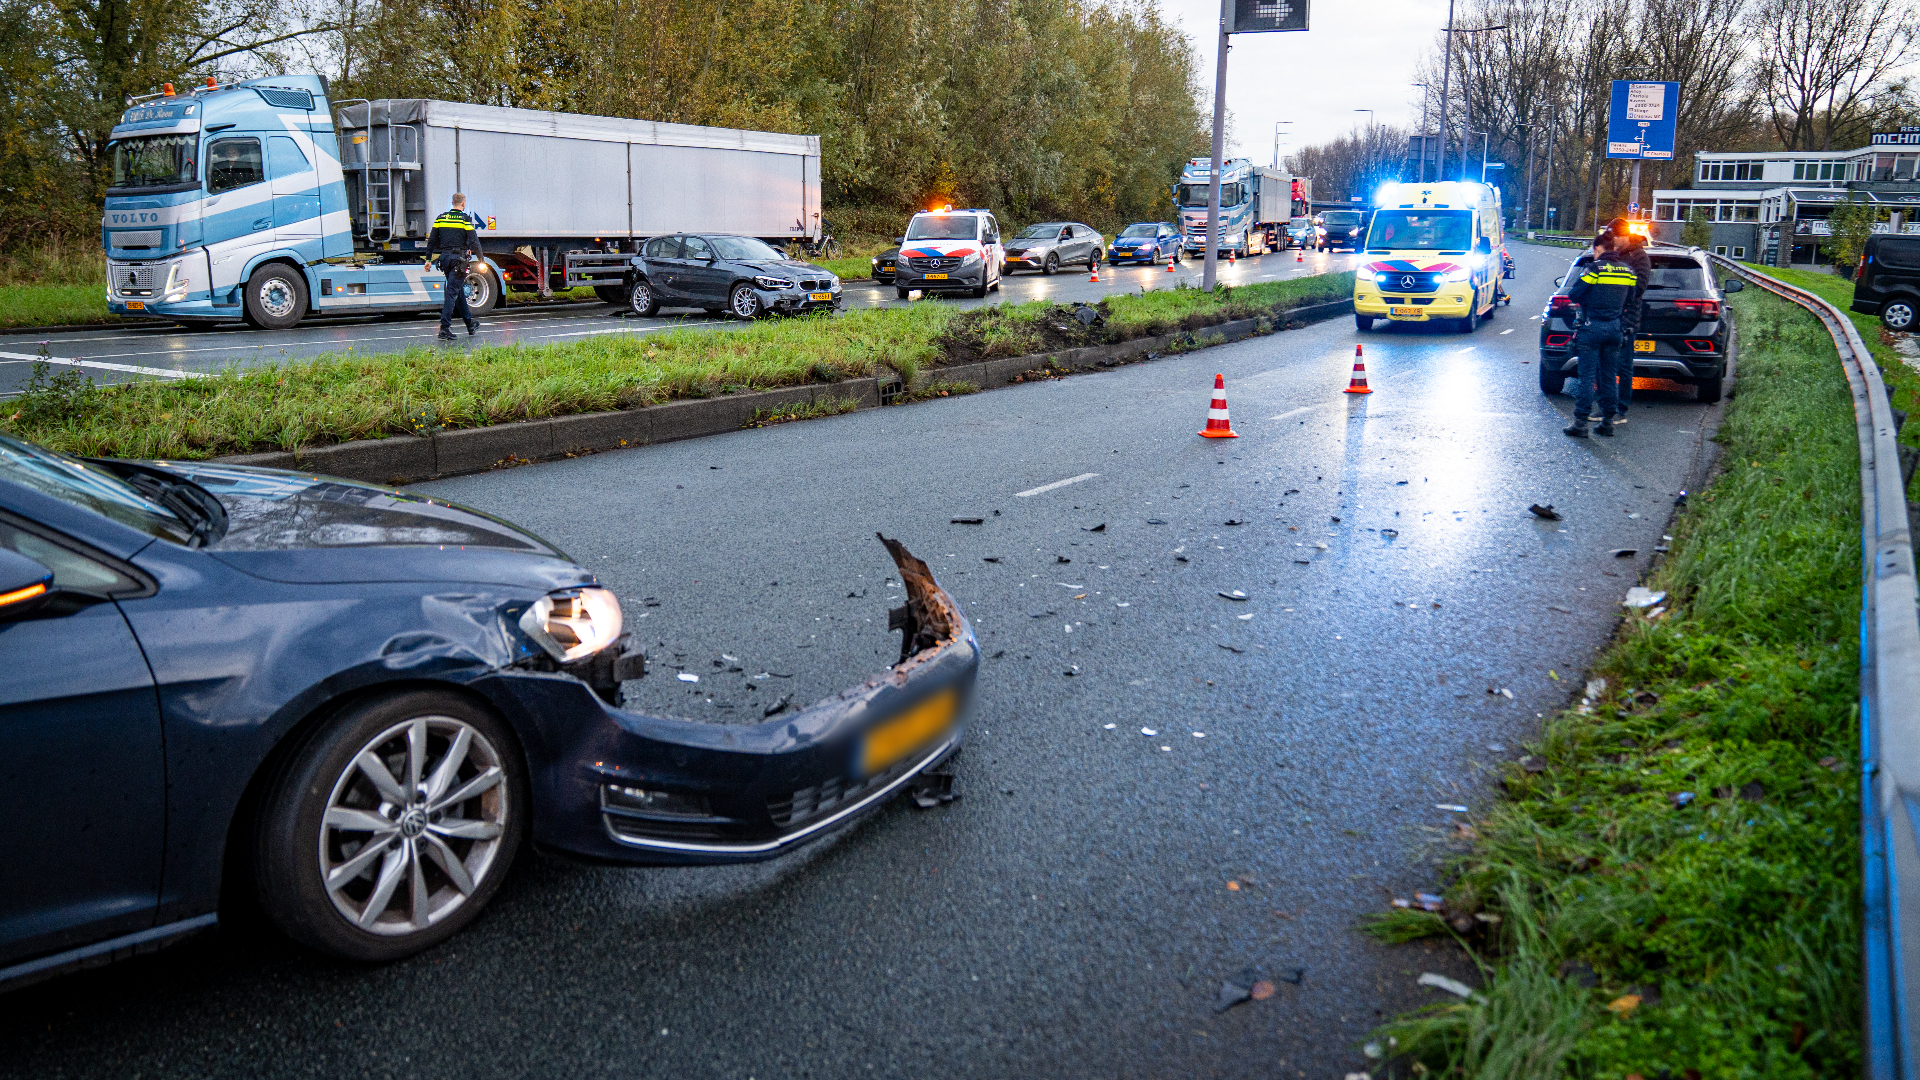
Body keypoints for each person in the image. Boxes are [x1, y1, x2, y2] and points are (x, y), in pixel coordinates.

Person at [1562, 233, 1639, 438]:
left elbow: (1575, 294)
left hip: (1592, 327)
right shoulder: (1628, 271)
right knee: (1609, 375)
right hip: (1615, 328)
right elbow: (1631, 298)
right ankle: (1607, 422)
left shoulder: (1594, 269)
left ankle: (1580, 423)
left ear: (1598, 249)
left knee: (1587, 376)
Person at [1605, 217, 1653, 423]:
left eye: (1616, 237)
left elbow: (1638, 288)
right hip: (1608, 317)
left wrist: (1614, 295)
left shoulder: (1639, 257)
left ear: (1625, 235)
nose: (1614, 241)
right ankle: (1606, 406)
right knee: (1605, 365)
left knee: (1624, 366)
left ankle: (1620, 409)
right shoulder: (1612, 255)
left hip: (1626, 318)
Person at [427, 194, 484, 340]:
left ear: (452, 203)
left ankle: (469, 323)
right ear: (463, 204)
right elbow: (474, 241)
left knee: (456, 291)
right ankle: (444, 328)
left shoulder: (441, 218)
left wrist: (428, 259)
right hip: (459, 260)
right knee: (452, 292)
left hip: (445, 259)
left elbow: (432, 240)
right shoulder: (465, 219)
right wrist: (481, 259)